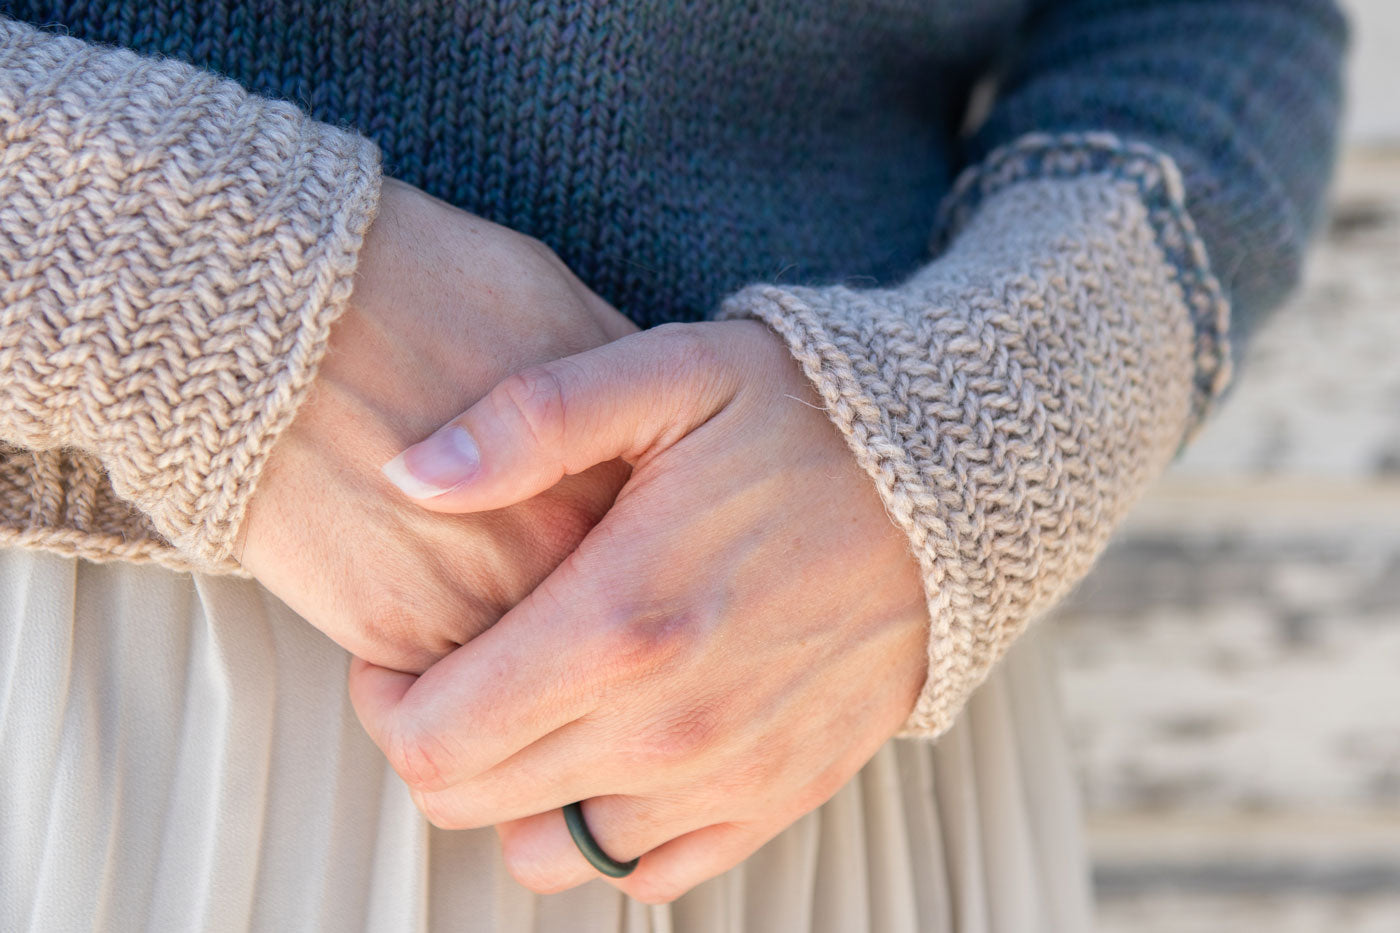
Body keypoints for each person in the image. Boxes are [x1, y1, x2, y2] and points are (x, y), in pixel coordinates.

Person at [0, 2, 1345, 930]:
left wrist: (979, 425)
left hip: (838, 656)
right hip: (91, 682)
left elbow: (1219, 27)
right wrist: (190, 285)